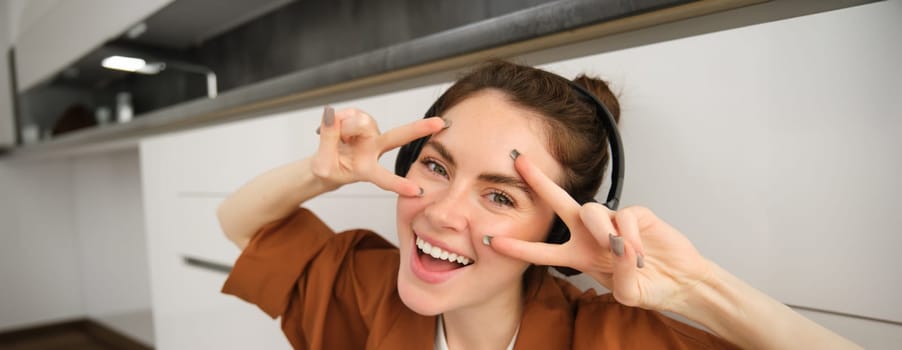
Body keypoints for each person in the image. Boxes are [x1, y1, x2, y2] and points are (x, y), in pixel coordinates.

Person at [217, 60, 860, 349]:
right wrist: (320, 173)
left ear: (559, 225)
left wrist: (696, 287)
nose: (442, 212)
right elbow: (238, 224)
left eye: (500, 194)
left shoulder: (613, 338)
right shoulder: (371, 288)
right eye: (437, 167)